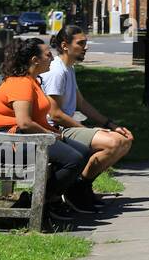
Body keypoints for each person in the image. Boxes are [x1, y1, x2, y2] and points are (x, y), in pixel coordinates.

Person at [0, 37, 86, 225]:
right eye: (48, 55)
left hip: (27, 137)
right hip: (10, 144)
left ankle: (43, 200)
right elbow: (24, 123)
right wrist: (50, 135)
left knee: (83, 151)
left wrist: (53, 132)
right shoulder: (21, 84)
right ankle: (42, 202)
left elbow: (35, 119)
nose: (52, 58)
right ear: (35, 60)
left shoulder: (32, 81)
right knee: (73, 159)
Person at [40, 26, 134, 213]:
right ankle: (76, 189)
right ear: (65, 46)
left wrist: (110, 124)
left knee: (125, 140)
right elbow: (55, 114)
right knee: (113, 144)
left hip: (66, 126)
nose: (85, 47)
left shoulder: (68, 68)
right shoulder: (57, 72)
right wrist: (87, 130)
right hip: (56, 129)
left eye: (86, 43)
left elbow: (81, 104)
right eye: (81, 43)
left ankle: (81, 185)